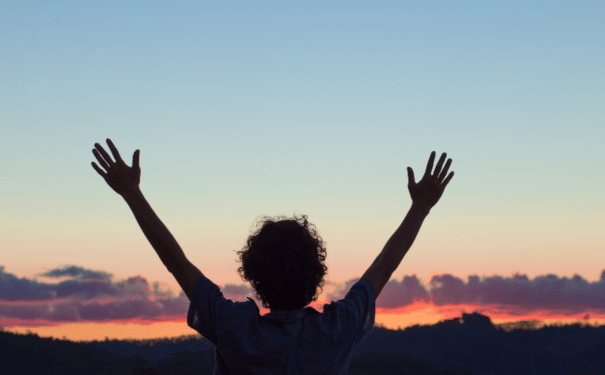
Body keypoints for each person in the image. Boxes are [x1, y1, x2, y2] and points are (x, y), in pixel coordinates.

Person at [92, 139, 454, 374]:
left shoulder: (234, 328)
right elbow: (384, 265)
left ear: (255, 275)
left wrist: (132, 195)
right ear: (316, 274)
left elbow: (175, 260)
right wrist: (420, 208)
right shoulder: (337, 329)